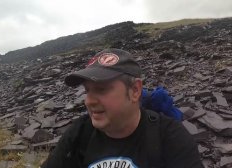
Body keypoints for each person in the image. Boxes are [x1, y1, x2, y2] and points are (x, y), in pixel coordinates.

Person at [41, 48, 203, 168]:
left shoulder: (170, 137)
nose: (88, 101)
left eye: (101, 89)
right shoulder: (79, 134)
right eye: (87, 90)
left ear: (135, 91)